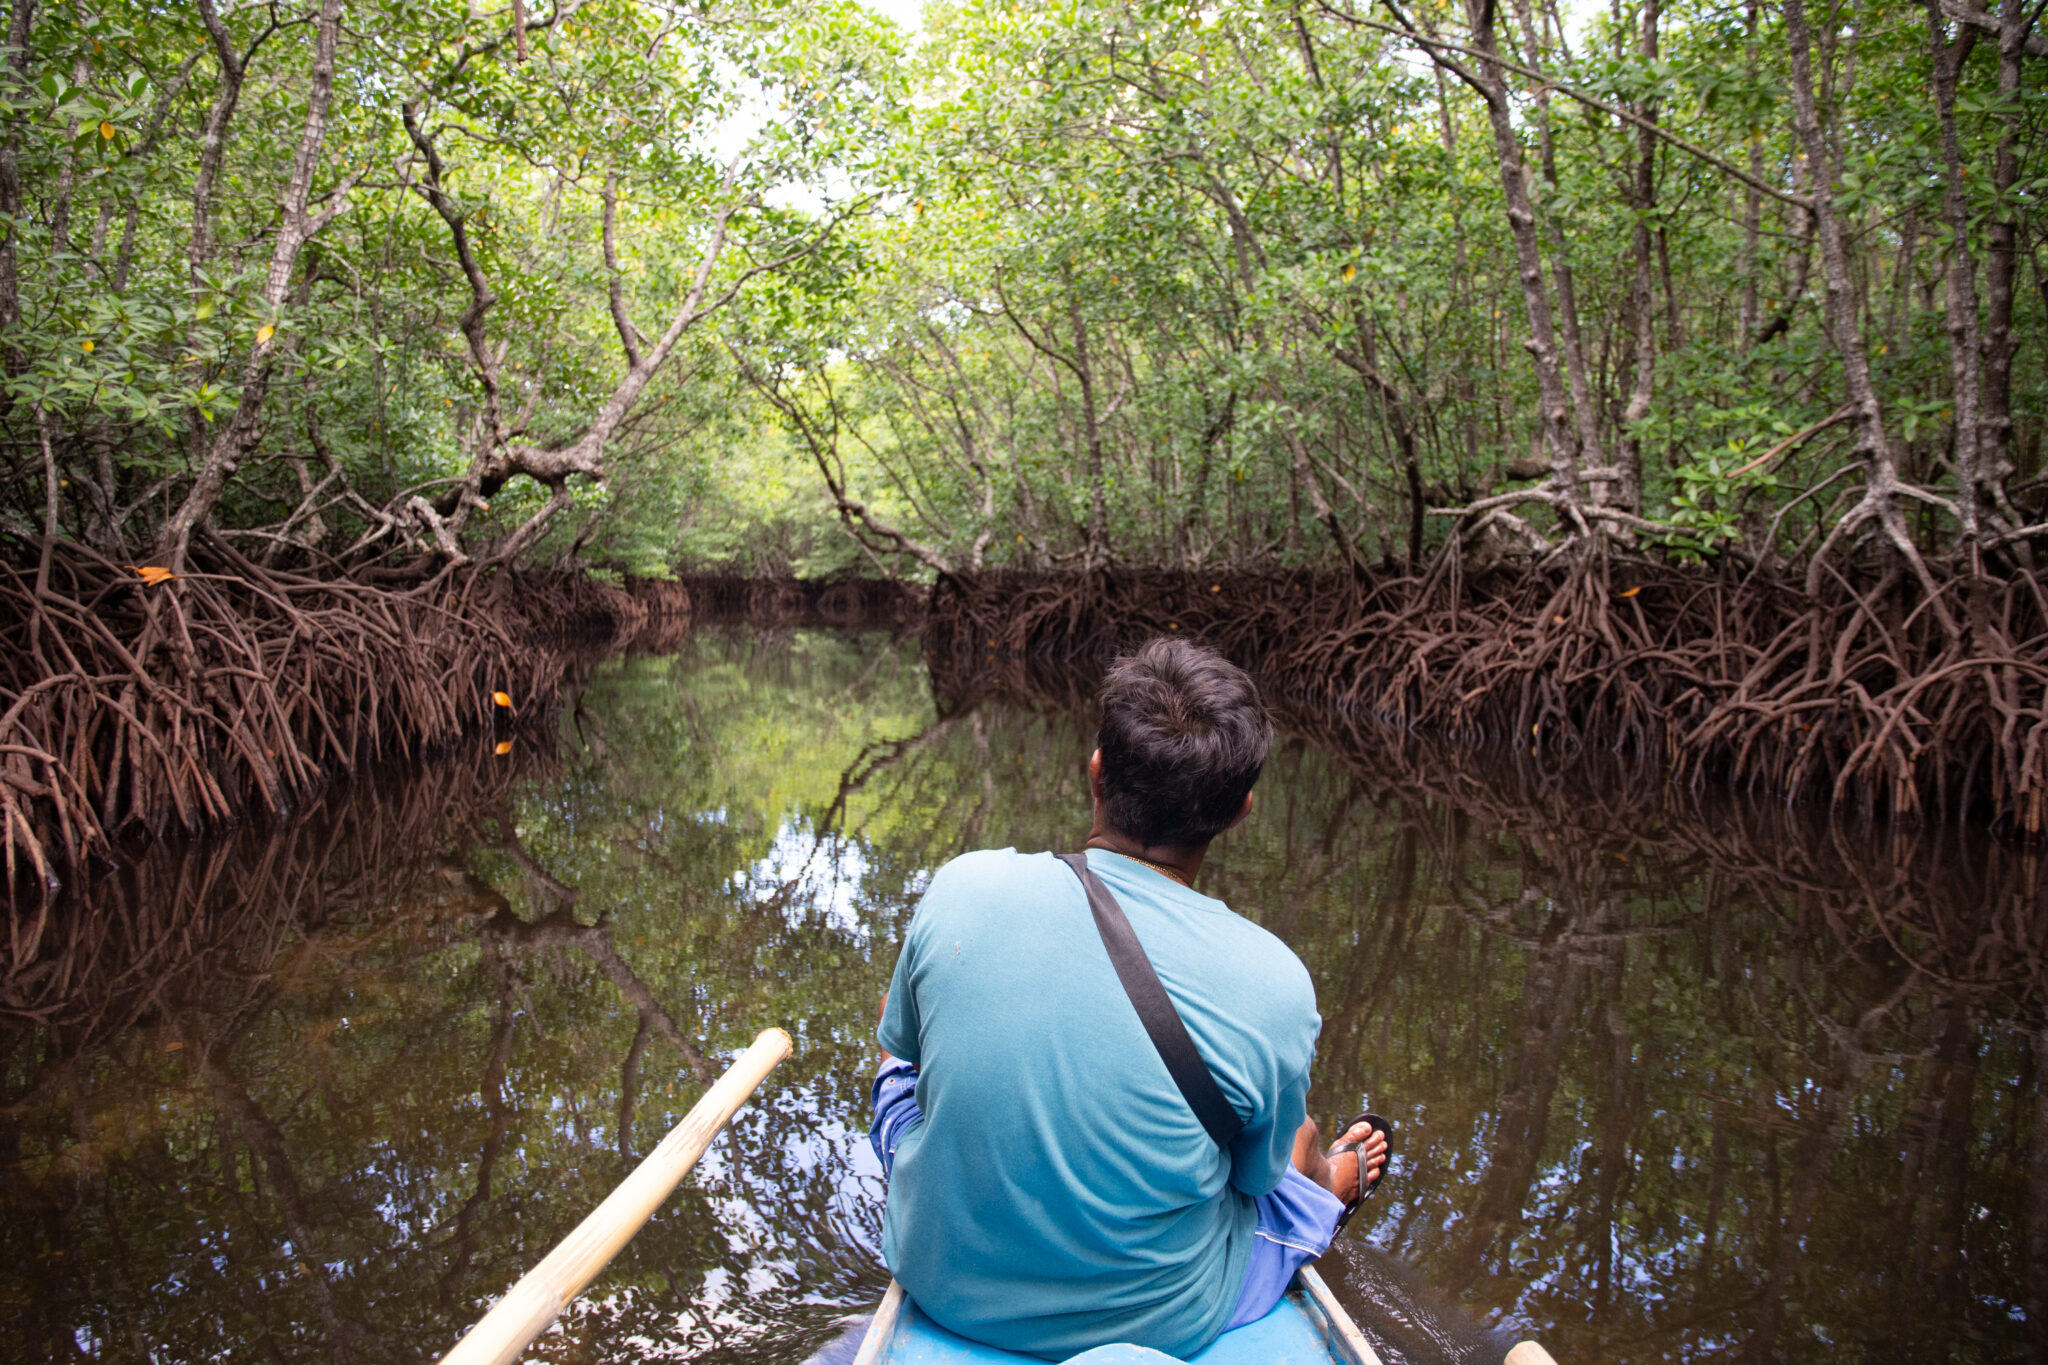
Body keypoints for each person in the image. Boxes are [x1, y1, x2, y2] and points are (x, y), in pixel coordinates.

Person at [867, 637, 1389, 1360]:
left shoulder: (962, 884)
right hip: (1161, 1317)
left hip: (943, 1281)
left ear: (1095, 773)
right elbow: (1248, 1181)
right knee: (1287, 1163)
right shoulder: (1275, 983)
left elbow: (909, 1054)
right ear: (1240, 811)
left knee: (901, 1072)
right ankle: (1330, 1179)